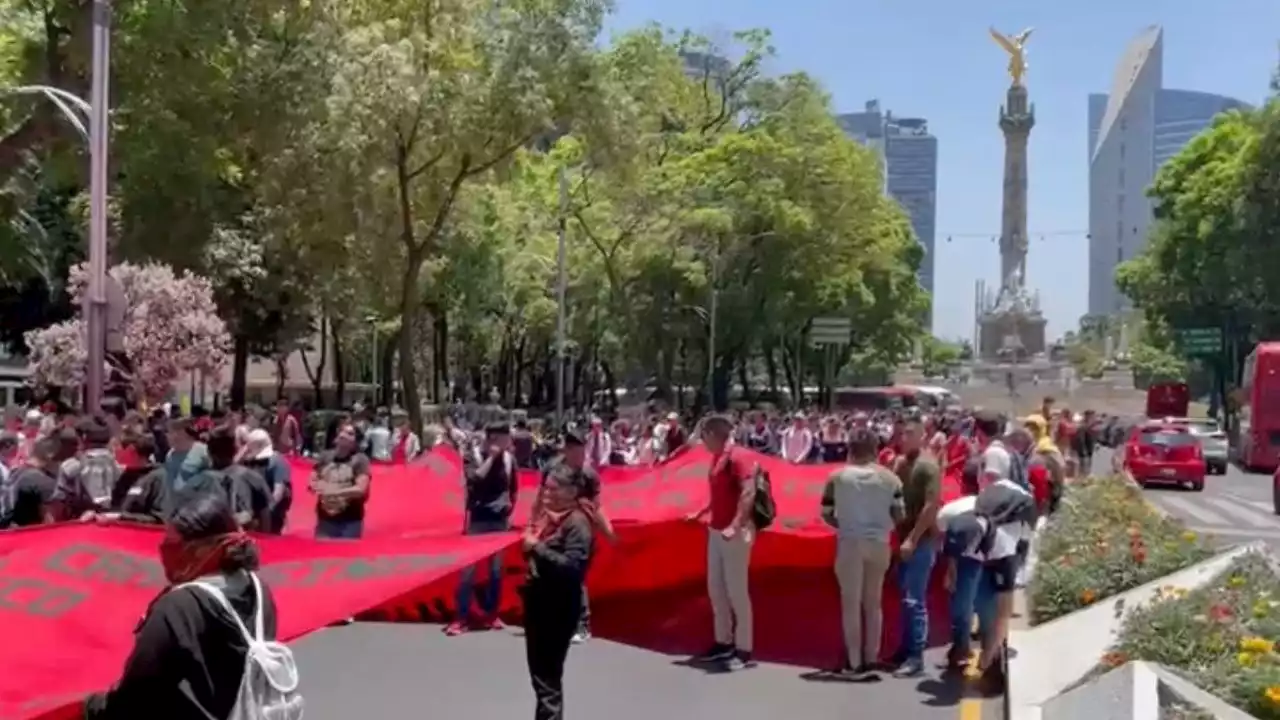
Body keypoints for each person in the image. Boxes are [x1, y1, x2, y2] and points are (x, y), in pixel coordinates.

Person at [84, 493, 301, 720]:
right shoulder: (258, 587)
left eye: (172, 544)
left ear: (202, 549)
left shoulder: (178, 607)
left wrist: (91, 707)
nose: (164, 551)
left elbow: (138, 693)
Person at [820, 427, 904, 678]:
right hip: (879, 543)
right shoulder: (891, 479)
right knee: (873, 602)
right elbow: (899, 514)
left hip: (850, 542)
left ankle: (854, 661)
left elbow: (826, 513)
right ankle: (872, 656)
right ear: (875, 449)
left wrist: (845, 524)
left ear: (850, 449)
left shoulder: (837, 477)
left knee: (850, 603)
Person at [520, 464, 593, 720]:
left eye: (554, 488)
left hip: (557, 608)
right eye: (546, 487)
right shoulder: (550, 518)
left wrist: (536, 548)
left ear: (572, 491)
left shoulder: (577, 525)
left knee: (547, 680)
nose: (547, 493)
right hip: (540, 604)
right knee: (542, 679)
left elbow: (573, 568)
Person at [686, 414, 756, 671]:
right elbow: (720, 494)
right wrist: (702, 512)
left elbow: (748, 492)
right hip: (716, 531)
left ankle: (744, 648)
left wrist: (735, 525)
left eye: (704, 436)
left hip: (733, 533)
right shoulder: (718, 458)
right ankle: (723, 642)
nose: (702, 442)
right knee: (716, 588)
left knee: (737, 591)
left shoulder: (738, 457)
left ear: (714, 434)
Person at [446, 422, 518, 635]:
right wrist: (492, 458)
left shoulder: (509, 459)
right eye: (503, 439)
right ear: (492, 439)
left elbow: (513, 487)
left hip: (499, 520)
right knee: (468, 571)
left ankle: (492, 614)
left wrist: (508, 509)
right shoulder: (473, 456)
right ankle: (461, 617)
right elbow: (475, 478)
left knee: (496, 570)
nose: (507, 444)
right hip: (477, 519)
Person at [889, 417, 942, 677]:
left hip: (920, 541)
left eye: (909, 434)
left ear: (921, 437)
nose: (903, 438)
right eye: (901, 434)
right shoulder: (902, 464)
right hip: (903, 539)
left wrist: (912, 538)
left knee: (914, 600)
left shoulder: (928, 466)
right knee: (905, 598)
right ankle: (905, 647)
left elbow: (931, 506)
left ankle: (916, 656)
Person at [309, 423, 372, 539]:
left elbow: (360, 489)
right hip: (325, 520)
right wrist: (314, 485)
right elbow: (313, 478)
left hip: (349, 522)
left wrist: (334, 492)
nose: (344, 435)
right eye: (342, 431)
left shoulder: (360, 460)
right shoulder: (325, 457)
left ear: (355, 441)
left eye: (350, 433)